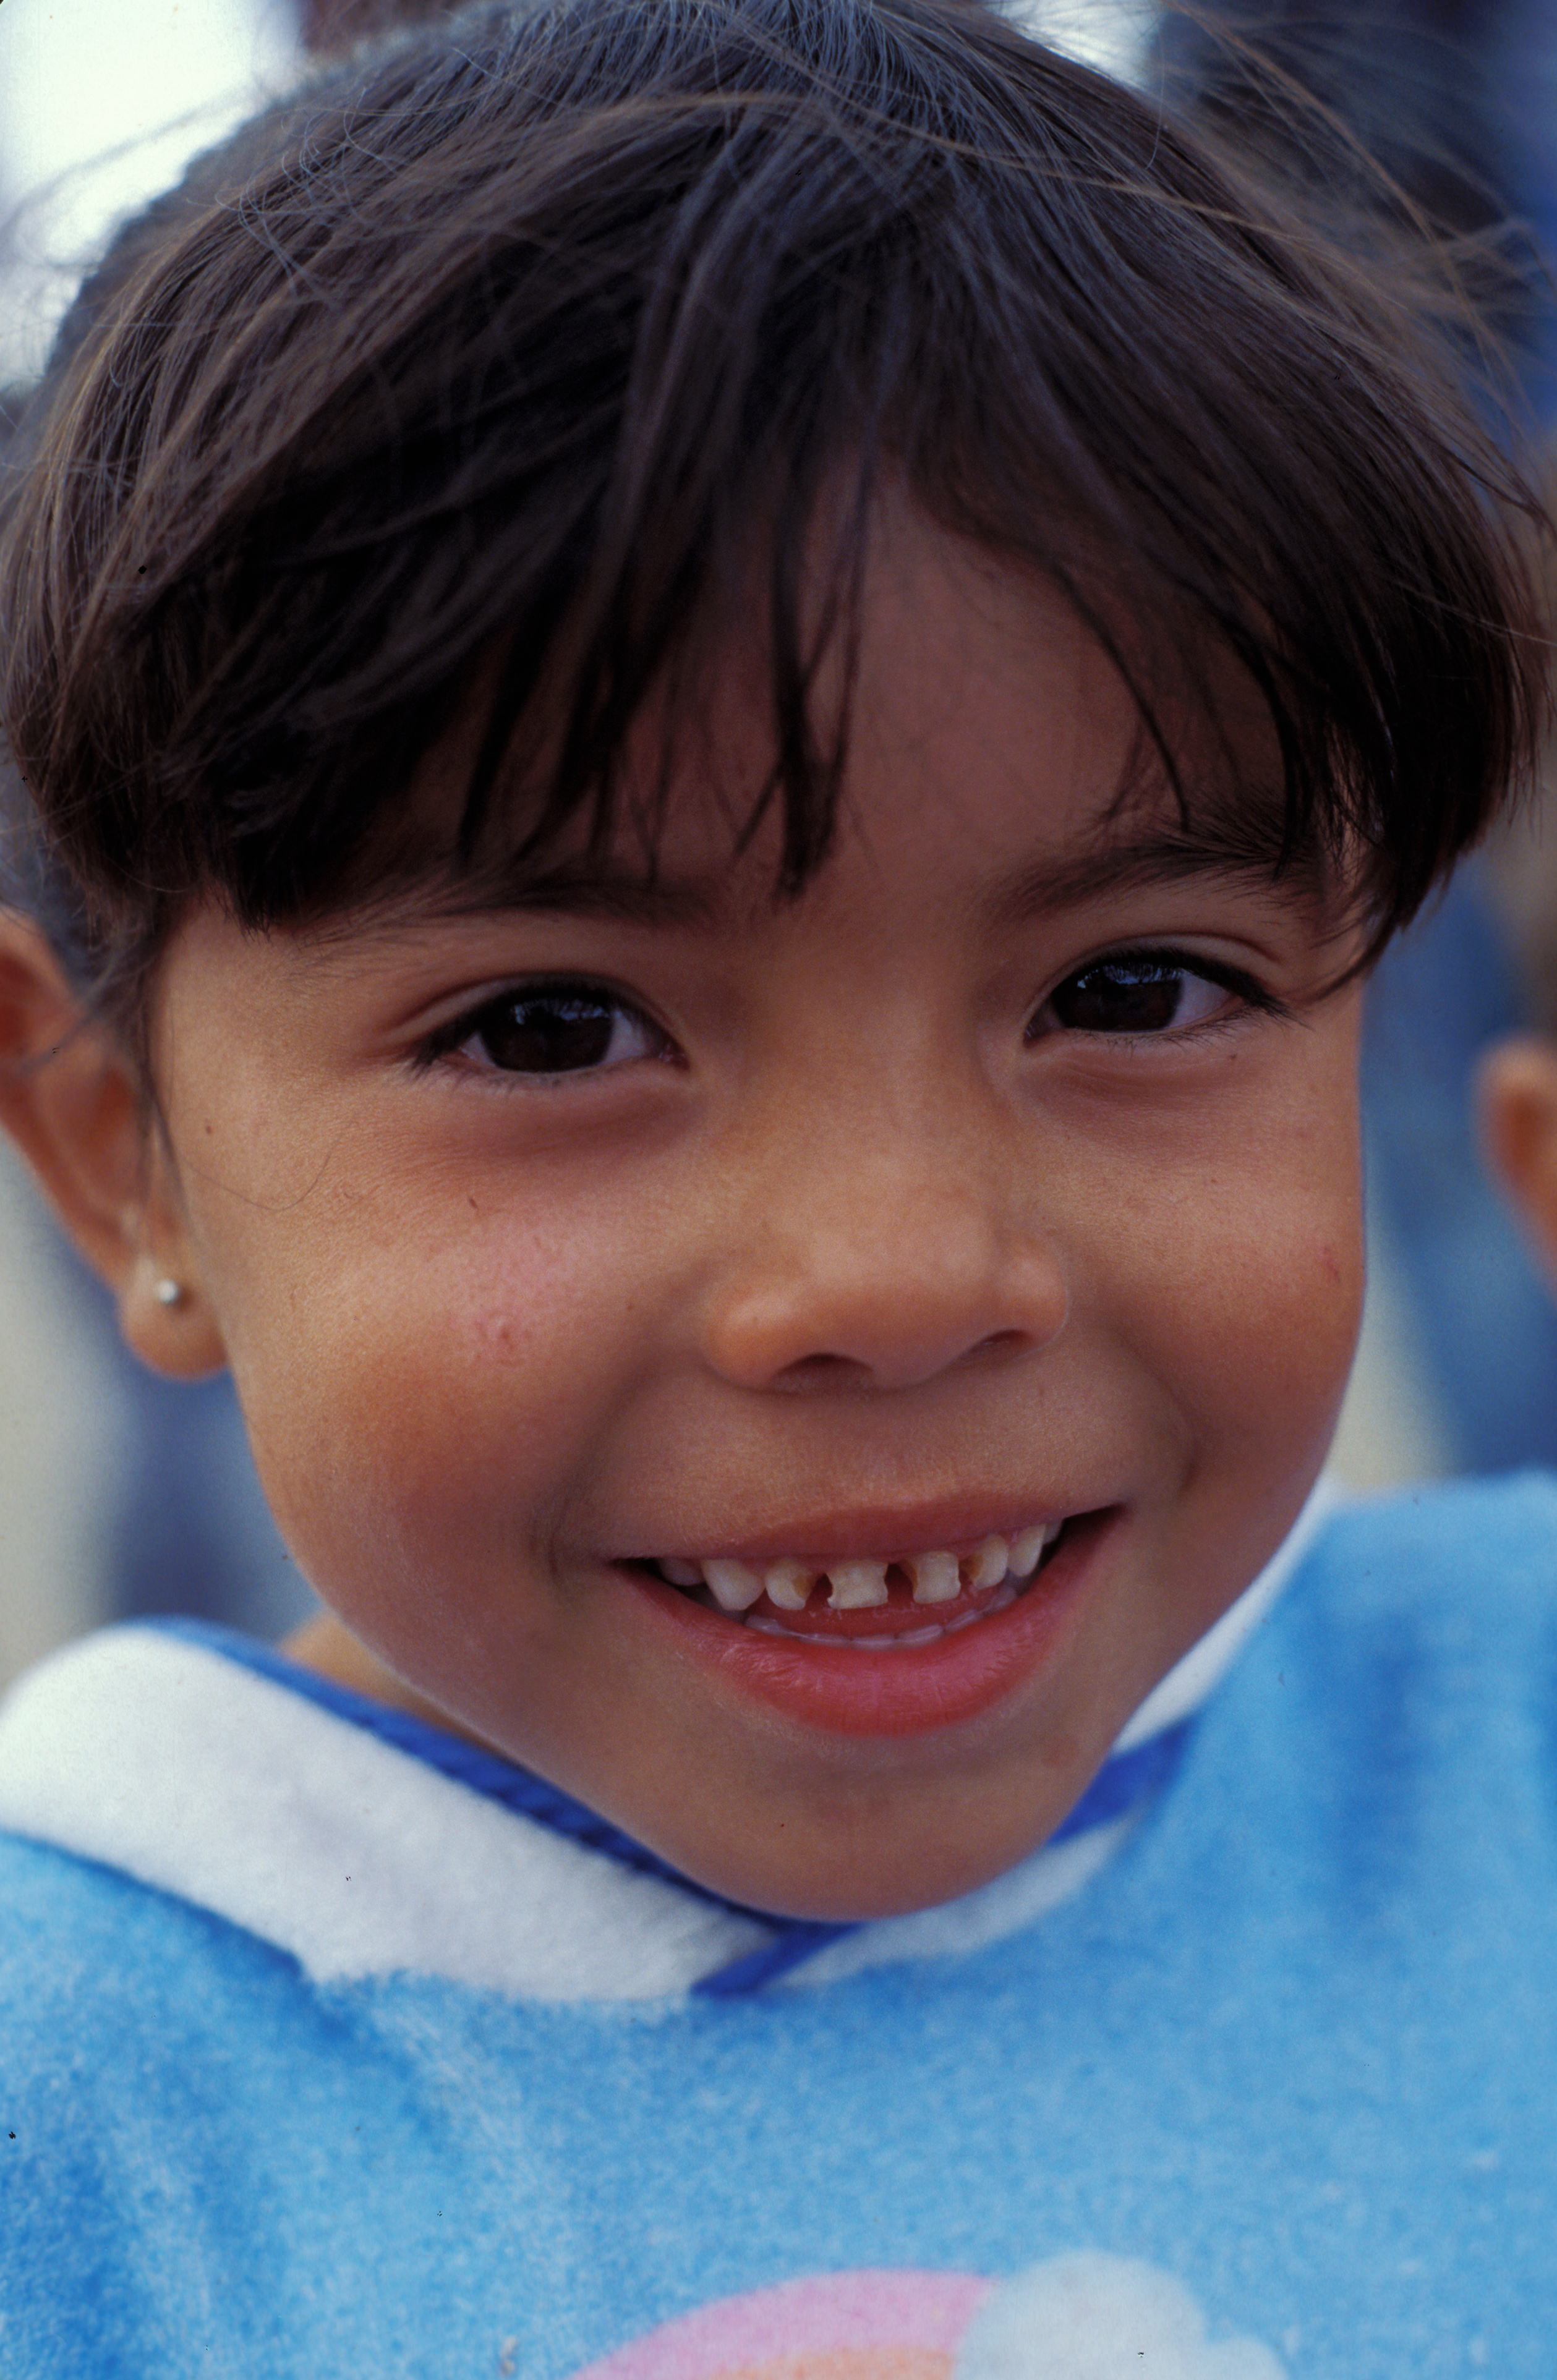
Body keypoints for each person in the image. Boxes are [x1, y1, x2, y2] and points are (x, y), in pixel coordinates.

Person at [0, 0, 1551, 2368]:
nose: (903, 1274)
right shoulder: (82, 2122)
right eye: (550, 1027)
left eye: (1135, 991)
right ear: (131, 1171)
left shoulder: (1508, 1745)